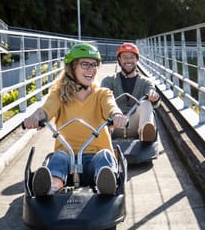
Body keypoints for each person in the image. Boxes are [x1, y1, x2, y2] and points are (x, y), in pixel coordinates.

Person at [23, 43, 127, 196]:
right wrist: (35, 117)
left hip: (95, 156)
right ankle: (52, 186)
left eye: (94, 65)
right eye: (85, 65)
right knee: (58, 157)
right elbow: (46, 110)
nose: (91, 70)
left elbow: (111, 107)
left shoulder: (102, 94)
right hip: (68, 157)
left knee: (105, 156)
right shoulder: (58, 94)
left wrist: (117, 116)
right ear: (72, 68)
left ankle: (105, 183)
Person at [100, 42, 159, 143]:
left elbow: (151, 91)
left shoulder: (146, 82)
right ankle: (103, 136)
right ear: (119, 59)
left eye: (132, 57)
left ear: (136, 59)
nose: (128, 60)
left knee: (146, 103)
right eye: (124, 57)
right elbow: (102, 98)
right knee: (103, 101)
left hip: (136, 125)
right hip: (114, 124)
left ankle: (146, 133)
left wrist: (153, 96)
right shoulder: (108, 80)